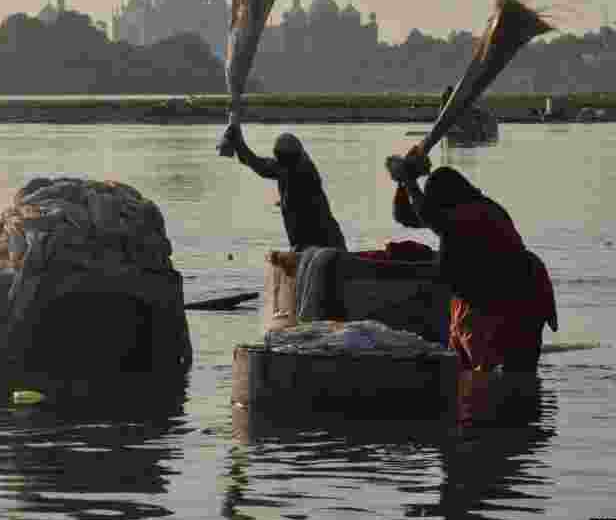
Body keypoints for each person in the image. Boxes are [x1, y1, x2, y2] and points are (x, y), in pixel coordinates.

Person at [387, 154, 558, 372]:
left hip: (512, 300)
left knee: (501, 375)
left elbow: (429, 215)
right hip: (486, 297)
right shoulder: (457, 210)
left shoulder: (477, 212)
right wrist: (403, 183)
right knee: (474, 374)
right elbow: (406, 216)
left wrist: (410, 182)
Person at [225, 125, 347, 251]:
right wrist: (238, 143)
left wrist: (238, 143)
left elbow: (298, 195)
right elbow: (256, 163)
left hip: (327, 245)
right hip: (304, 247)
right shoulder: (284, 168)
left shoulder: (305, 171)